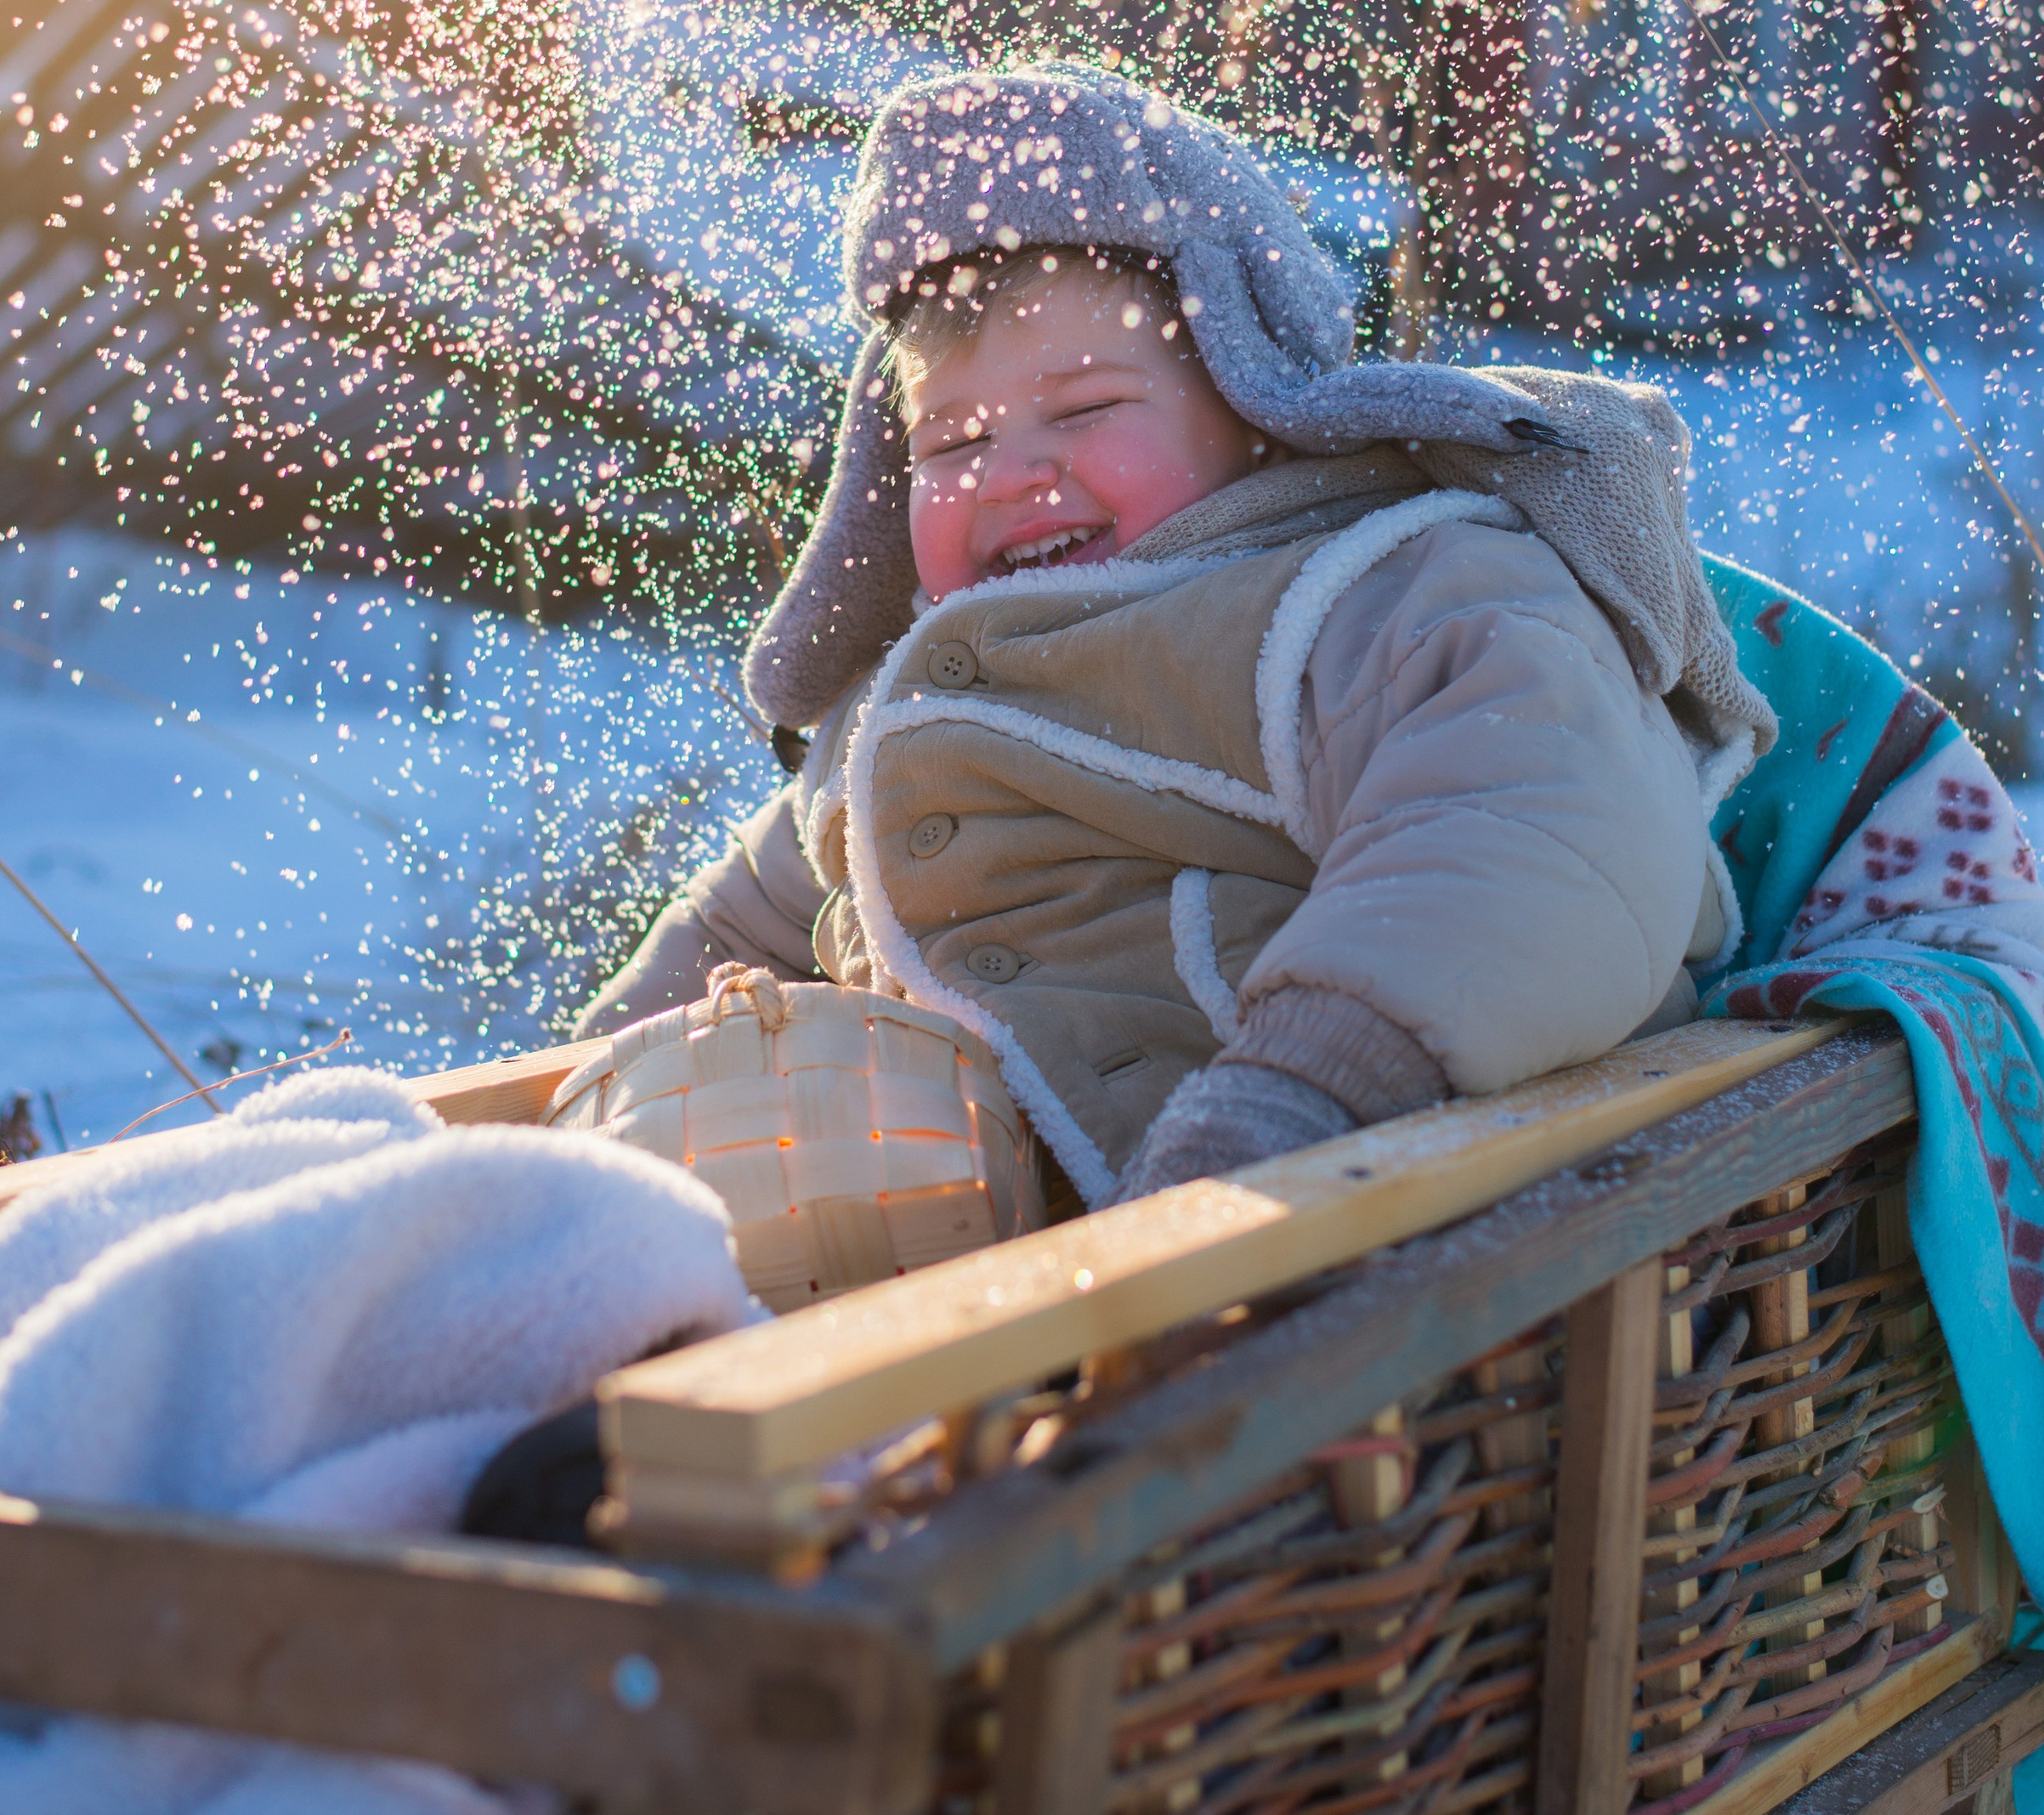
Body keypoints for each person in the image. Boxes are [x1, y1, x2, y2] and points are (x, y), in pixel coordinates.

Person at [576, 65, 1775, 1207]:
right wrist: (595, 1108)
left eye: (1088, 408)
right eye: (949, 445)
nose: (1010, 475)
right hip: (961, 1305)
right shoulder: (903, 709)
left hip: (1372, 1251)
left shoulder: (1382, 594)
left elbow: (1539, 821)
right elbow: (736, 931)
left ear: (1257, 409)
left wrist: (1304, 1087)